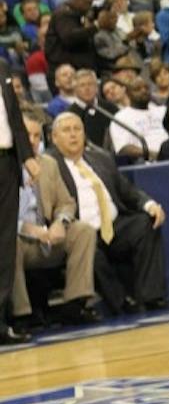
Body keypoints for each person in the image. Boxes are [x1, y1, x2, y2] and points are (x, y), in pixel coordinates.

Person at [37, 113, 169, 314]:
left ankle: (152, 296)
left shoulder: (101, 158)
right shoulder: (48, 164)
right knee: (88, 245)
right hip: (80, 229)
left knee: (146, 223)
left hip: (113, 224)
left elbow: (127, 190)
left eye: (77, 129)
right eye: (66, 130)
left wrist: (149, 204)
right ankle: (122, 303)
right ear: (54, 138)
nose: (73, 135)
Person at [11, 112, 100, 327]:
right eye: (26, 136)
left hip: (48, 238)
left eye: (36, 136)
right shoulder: (4, 167)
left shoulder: (48, 163)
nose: (32, 142)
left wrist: (60, 222)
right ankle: (21, 314)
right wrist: (27, 228)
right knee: (6, 244)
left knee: (83, 231)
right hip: (18, 240)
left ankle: (75, 304)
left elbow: (66, 203)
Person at [0, 57, 41, 342]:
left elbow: (14, 117)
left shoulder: (1, 67)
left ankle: (1, 324)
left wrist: (27, 156)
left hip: (6, 164)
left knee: (4, 246)